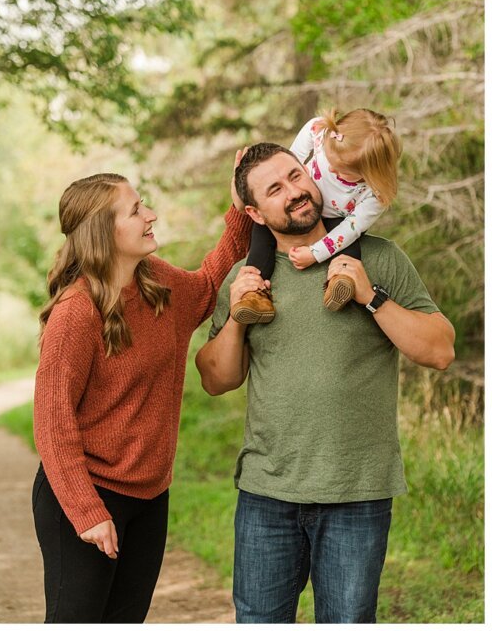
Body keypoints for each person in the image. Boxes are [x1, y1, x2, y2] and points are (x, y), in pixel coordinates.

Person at [196, 142, 455, 623]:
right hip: (267, 493)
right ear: (254, 211)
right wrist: (236, 317)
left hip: (356, 491)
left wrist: (370, 297)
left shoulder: (378, 258)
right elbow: (216, 379)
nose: (294, 192)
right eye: (275, 189)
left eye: (296, 175)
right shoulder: (247, 275)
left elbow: (439, 350)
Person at [32, 154, 251, 623]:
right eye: (135, 210)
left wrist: (237, 209)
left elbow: (210, 284)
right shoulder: (75, 314)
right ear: (103, 232)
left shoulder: (155, 283)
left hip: (150, 497)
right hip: (86, 495)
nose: (150, 215)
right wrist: (87, 511)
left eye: (143, 205)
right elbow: (53, 424)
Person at [231, 109, 401, 324]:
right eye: (330, 160)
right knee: (260, 240)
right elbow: (290, 159)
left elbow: (350, 229)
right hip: (298, 207)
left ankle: (341, 281)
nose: (331, 169)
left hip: (336, 222)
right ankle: (253, 294)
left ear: (370, 173)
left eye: (342, 171)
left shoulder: (373, 196)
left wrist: (315, 253)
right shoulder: (322, 131)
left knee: (350, 250)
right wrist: (289, 174)